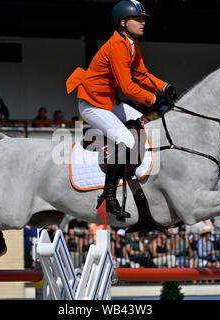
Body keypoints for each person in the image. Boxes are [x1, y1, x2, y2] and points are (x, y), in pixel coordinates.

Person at [66, 0, 178, 221]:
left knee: (145, 122)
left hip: (110, 103)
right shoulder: (117, 45)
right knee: (127, 140)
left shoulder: (131, 43)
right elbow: (127, 86)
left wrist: (165, 86)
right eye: (138, 19)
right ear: (123, 22)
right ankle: (108, 197)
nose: (143, 22)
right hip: (93, 105)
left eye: (143, 18)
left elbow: (142, 74)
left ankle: (132, 174)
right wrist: (153, 98)